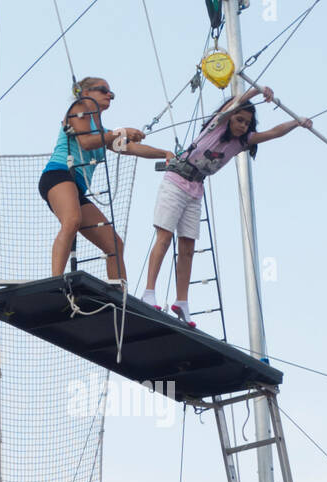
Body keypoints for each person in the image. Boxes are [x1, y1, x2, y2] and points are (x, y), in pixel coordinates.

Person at [143, 87, 313, 326]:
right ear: (231, 117)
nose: (243, 125)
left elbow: (274, 133)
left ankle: (182, 301)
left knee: (188, 246)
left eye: (247, 123)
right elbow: (236, 102)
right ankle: (149, 291)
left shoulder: (243, 142)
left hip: (195, 189)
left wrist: (297, 122)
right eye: (240, 119)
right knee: (164, 236)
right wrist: (256, 91)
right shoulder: (217, 125)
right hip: (176, 180)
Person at [39, 77, 174, 282]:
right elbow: (86, 142)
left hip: (76, 187)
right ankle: (54, 281)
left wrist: (164, 153)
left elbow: (131, 148)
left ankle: (121, 297)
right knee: (72, 220)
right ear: (85, 93)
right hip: (58, 175)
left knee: (114, 244)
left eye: (111, 93)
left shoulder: (103, 132)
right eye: (103, 90)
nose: (109, 95)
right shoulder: (77, 109)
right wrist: (120, 132)